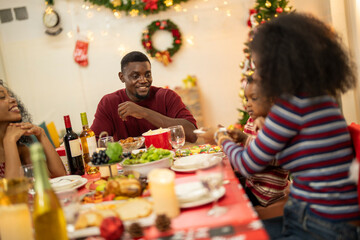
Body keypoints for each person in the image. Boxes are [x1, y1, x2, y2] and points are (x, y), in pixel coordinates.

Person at [217, 13, 360, 239]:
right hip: (338, 217)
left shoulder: (290, 107)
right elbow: (300, 152)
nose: (258, 73)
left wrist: (221, 138)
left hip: (317, 221)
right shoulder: (320, 98)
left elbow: (247, 164)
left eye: (260, 66)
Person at [91, 51, 197, 142]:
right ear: (122, 77)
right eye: (135, 76)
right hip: (128, 164)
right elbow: (95, 142)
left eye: (147, 75)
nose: (143, 80)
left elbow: (193, 135)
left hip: (166, 162)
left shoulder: (166, 96)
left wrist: (143, 112)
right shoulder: (109, 102)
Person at [228, 76, 289, 207]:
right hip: (252, 186)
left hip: (266, 194)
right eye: (246, 99)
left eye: (254, 98)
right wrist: (235, 140)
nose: (248, 104)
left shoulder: (276, 125)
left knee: (231, 201)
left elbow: (276, 158)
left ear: (272, 100)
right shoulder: (251, 121)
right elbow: (246, 151)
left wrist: (244, 139)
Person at [0, 80, 66, 179]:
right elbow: (13, 192)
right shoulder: (12, 144)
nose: (13, 99)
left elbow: (60, 177)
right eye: (2, 97)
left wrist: (41, 134)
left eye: (10, 95)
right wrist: (9, 141)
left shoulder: (21, 150)